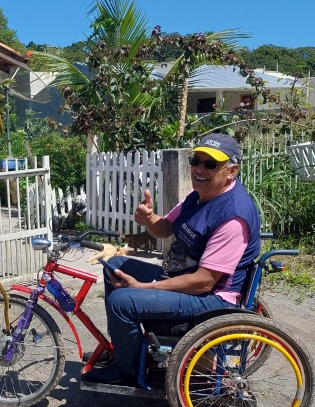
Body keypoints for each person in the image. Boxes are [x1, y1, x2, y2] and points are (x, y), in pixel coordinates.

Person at [97, 133, 261, 381]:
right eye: (196, 161)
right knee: (115, 265)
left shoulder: (232, 217)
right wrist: (149, 219)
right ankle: (124, 349)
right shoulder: (199, 195)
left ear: (232, 170)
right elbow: (164, 229)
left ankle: (126, 370)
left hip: (211, 298)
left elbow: (204, 282)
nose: (199, 169)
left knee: (122, 301)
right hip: (185, 278)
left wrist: (146, 287)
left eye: (210, 164)